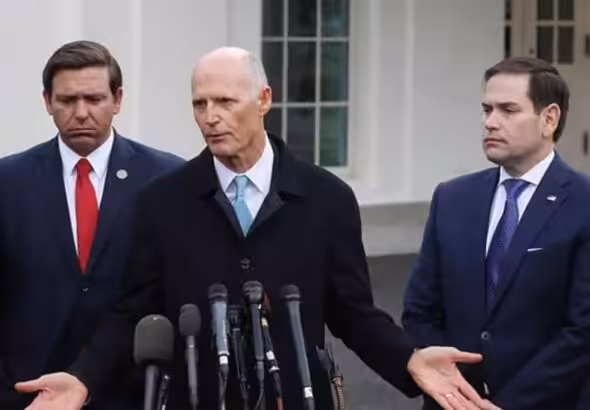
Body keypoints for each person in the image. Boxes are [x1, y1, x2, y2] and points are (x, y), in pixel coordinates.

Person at [16, 47, 498, 410]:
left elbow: (353, 312)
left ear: (264, 99)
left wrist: (410, 360)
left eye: (225, 101)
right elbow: (131, 314)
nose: (211, 117)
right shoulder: (162, 201)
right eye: (200, 103)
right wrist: (81, 380)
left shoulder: (325, 198)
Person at [0, 40, 183, 409]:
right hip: (28, 394)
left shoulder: (166, 180)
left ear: (117, 99)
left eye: (94, 99)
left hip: (132, 394)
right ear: (47, 101)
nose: (81, 112)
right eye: (67, 101)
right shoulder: (8, 182)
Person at [402, 56, 590, 410]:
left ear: (549, 118)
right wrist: (457, 391)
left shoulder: (583, 204)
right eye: (486, 109)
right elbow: (420, 310)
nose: (490, 122)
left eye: (508, 110)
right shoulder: (452, 198)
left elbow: (582, 332)